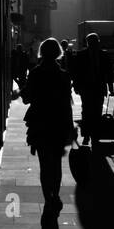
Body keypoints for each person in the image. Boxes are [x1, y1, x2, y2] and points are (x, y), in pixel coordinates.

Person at [21, 38, 76, 212]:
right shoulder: (64, 75)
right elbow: (67, 104)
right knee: (57, 164)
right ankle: (56, 194)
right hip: (58, 123)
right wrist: (70, 127)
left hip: (40, 123)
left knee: (45, 164)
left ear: (42, 53)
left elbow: (26, 98)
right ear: (58, 53)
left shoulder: (36, 73)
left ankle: (48, 198)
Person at [72, 33, 114, 147]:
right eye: (91, 42)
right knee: (86, 111)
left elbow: (109, 73)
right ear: (88, 43)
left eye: (94, 42)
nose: (93, 44)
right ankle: (87, 135)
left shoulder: (103, 55)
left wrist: (111, 88)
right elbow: (76, 72)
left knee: (97, 112)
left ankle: (94, 135)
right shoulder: (81, 55)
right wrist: (76, 86)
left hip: (98, 87)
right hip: (86, 88)